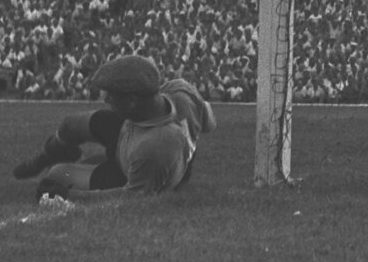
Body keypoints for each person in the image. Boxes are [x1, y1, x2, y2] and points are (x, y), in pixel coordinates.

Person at [11, 55, 216, 201]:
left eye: (112, 96)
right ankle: (48, 157)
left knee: (58, 175)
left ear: (133, 100)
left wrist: (69, 196)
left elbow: (132, 198)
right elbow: (209, 121)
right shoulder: (179, 91)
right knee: (70, 125)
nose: (106, 100)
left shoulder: (157, 145)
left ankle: (65, 161)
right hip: (135, 128)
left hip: (128, 169)